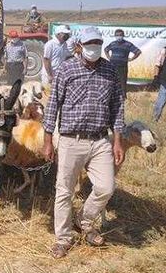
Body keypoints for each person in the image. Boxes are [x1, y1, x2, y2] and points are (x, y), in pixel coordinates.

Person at [43, 27, 125, 259]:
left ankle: (85, 220)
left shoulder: (109, 70)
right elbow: (52, 106)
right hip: (72, 140)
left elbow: (118, 107)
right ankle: (63, 239)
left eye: (98, 43)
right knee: (64, 192)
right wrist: (48, 139)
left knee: (106, 187)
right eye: (90, 43)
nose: (94, 47)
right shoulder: (66, 69)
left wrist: (117, 141)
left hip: (100, 140)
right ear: (79, 46)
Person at [104, 29, 141, 97]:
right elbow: (106, 50)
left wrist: (132, 58)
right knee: (110, 80)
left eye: (120, 35)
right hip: (112, 66)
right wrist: (109, 57)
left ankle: (123, 96)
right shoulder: (112, 44)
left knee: (122, 81)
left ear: (123, 35)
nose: (119, 37)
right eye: (117, 35)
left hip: (122, 66)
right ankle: (110, 95)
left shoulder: (128, 44)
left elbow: (138, 52)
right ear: (115, 36)